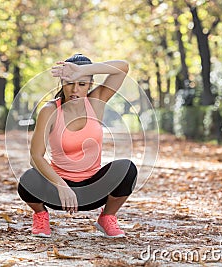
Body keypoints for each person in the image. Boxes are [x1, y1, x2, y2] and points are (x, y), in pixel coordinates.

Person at [17, 53, 137, 238]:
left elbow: (123, 67)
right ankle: (40, 215)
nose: (75, 90)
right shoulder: (49, 110)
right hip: (58, 192)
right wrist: (61, 185)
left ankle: (107, 218)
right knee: (28, 180)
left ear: (90, 85)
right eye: (69, 83)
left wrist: (83, 70)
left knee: (127, 169)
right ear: (62, 84)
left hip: (93, 190)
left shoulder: (96, 102)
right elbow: (36, 156)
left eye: (82, 84)